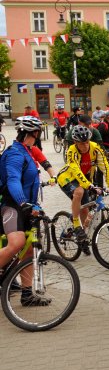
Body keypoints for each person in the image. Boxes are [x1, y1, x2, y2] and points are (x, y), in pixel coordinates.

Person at [0, 117, 48, 306]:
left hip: (26, 206)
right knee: (17, 242)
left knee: (28, 250)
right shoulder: (15, 154)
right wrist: (22, 203)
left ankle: (27, 295)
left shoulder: (27, 151)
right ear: (34, 133)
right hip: (12, 205)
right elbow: (12, 180)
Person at [56, 126, 109, 252]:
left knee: (86, 211)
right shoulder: (71, 151)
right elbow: (76, 171)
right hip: (67, 178)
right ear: (76, 143)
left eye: (87, 142)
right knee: (79, 191)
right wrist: (90, 186)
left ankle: (81, 238)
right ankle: (76, 224)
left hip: (85, 180)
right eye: (82, 143)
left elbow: (104, 166)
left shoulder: (95, 148)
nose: (85, 145)